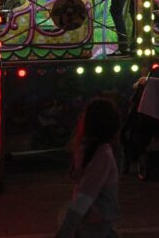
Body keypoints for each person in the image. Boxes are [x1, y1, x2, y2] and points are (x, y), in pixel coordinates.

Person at [56, 98, 121, 238]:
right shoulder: (99, 152)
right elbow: (82, 192)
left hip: (93, 224)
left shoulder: (96, 152)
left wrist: (65, 231)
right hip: (94, 224)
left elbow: (83, 193)